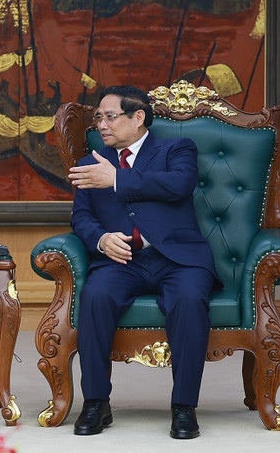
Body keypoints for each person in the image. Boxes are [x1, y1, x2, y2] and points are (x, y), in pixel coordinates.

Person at [67, 85, 221, 439]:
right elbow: (82, 217)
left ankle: (184, 407)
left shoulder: (175, 149)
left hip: (178, 259)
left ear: (138, 117)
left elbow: (179, 184)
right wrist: (101, 240)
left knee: (188, 299)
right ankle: (95, 402)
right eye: (99, 117)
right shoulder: (90, 164)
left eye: (110, 117)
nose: (101, 125)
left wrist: (117, 179)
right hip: (122, 261)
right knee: (95, 295)